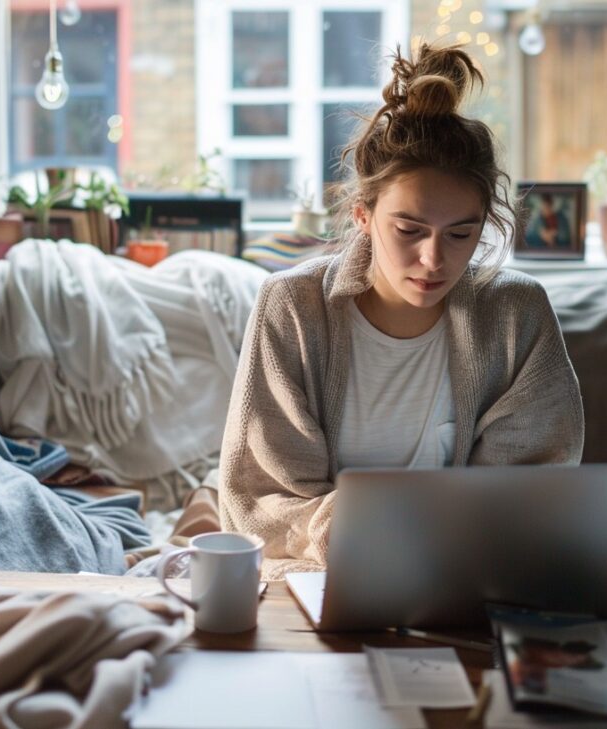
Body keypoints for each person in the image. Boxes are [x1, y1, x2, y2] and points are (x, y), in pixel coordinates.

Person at [218, 43, 585, 578]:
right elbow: (260, 502)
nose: (434, 259)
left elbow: (533, 490)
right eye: (409, 230)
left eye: (461, 233)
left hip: (463, 577)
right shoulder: (293, 306)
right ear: (363, 216)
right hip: (321, 574)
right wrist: (377, 538)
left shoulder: (515, 312)